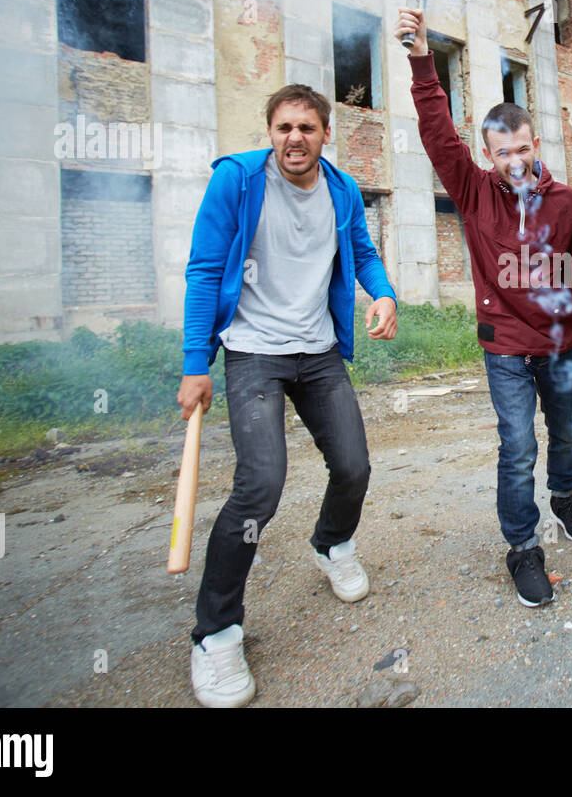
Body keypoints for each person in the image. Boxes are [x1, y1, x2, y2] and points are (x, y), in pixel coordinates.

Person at [176, 83, 398, 706]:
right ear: (270, 132)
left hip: (319, 351)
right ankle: (215, 634)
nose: (294, 138)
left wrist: (382, 293)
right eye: (283, 128)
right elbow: (203, 266)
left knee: (354, 466)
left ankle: (332, 543)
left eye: (306, 128)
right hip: (254, 354)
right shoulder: (238, 182)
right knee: (260, 484)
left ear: (325, 135)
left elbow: (361, 252)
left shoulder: (343, 190)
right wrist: (198, 363)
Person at [394, 7, 572, 608]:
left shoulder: (565, 201)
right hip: (504, 344)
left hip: (559, 344)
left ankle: (564, 495)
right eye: (502, 153)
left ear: (536, 143)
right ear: (488, 152)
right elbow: (435, 132)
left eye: (523, 149)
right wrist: (422, 57)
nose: (515, 162)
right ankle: (523, 547)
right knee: (516, 444)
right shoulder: (473, 188)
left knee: (565, 430)